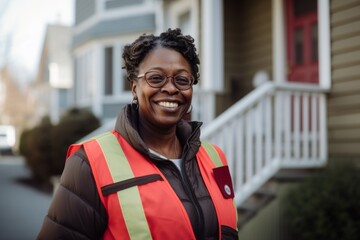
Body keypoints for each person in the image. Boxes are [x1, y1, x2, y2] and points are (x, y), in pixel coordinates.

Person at [37, 28, 239, 240]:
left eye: (182, 79)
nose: (171, 88)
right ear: (134, 88)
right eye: (156, 78)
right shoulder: (91, 162)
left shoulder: (215, 157)